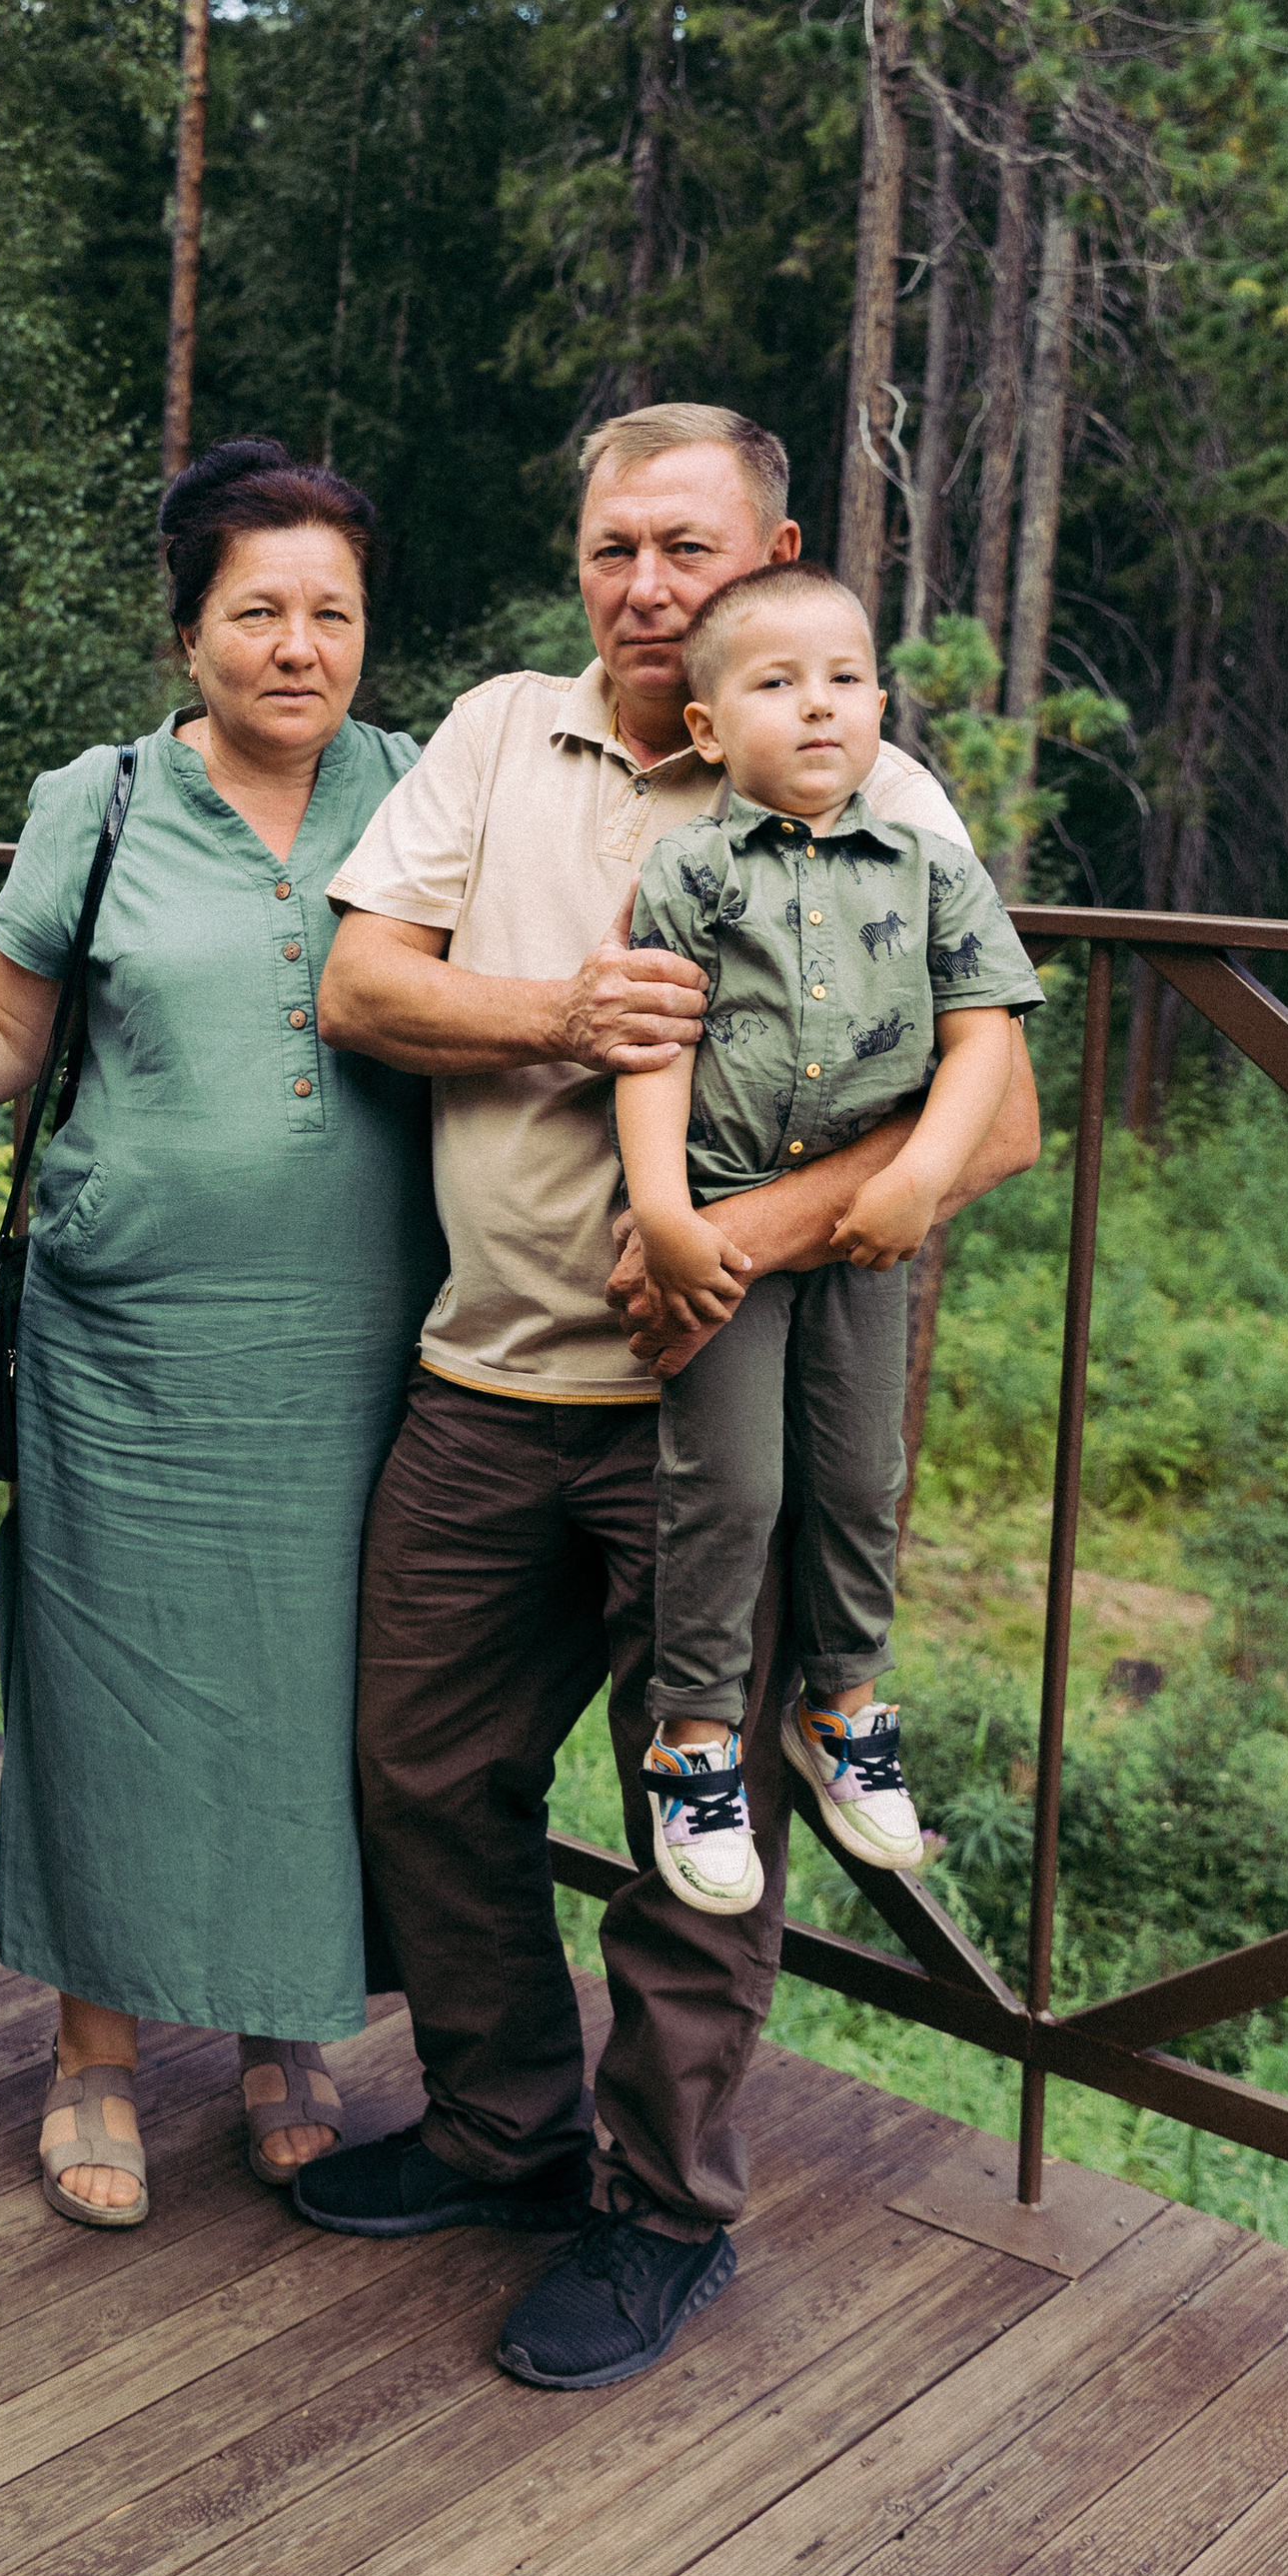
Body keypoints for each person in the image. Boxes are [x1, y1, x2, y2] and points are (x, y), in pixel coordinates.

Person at [304, 403, 1040, 2392]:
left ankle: (656, 2214)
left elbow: (990, 1113)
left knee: (689, 1831)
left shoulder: (857, 769)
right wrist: (554, 1009)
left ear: (772, 553)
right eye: (612, 550)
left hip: (717, 1416)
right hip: (481, 1378)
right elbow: (361, 986)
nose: (645, 589)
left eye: (686, 552)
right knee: (421, 1771)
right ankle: (497, 2127)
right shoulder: (497, 733)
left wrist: (735, 1235)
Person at [0, 439, 443, 2227]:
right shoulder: (99, 800)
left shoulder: (423, 789)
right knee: (108, 1699)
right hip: (125, 1347)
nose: (297, 646)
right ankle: (95, 2052)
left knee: (319, 1705)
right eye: (256, 609)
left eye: (331, 612)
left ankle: (287, 2032)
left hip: (364, 1345)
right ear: (188, 629)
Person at [614, 560, 1043, 1916]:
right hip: (726, 1222)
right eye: (776, 684)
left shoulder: (932, 871)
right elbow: (651, 1054)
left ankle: (842, 1704)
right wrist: (666, 1217)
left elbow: (983, 1035)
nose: (819, 708)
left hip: (867, 1240)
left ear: (879, 705)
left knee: (861, 1477)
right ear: (706, 730)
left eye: (847, 679)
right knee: (730, 1486)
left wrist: (921, 1176)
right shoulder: (684, 873)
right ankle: (695, 1736)